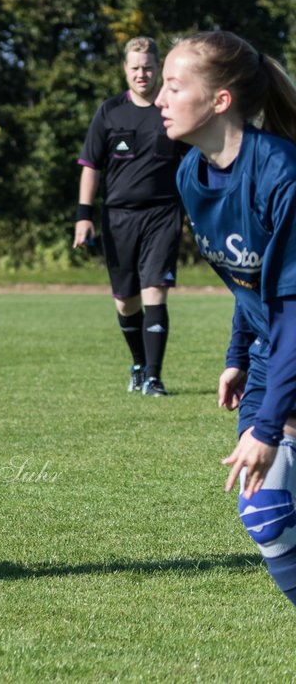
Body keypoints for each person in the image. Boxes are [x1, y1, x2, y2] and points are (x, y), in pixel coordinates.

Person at [155, 30, 296, 607]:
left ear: (219, 100)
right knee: (265, 513)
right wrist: (238, 355)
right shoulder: (191, 174)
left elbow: (292, 305)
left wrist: (267, 428)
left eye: (173, 85)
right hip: (272, 353)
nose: (160, 99)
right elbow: (247, 278)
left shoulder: (281, 172)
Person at [73, 36, 184, 396]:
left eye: (148, 67)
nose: (142, 73)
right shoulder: (109, 112)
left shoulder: (172, 110)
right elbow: (91, 166)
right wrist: (83, 216)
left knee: (156, 289)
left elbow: (194, 162)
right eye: (135, 67)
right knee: (126, 300)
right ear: (125, 69)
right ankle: (138, 364)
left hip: (163, 212)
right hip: (118, 216)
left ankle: (154, 377)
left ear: (158, 68)